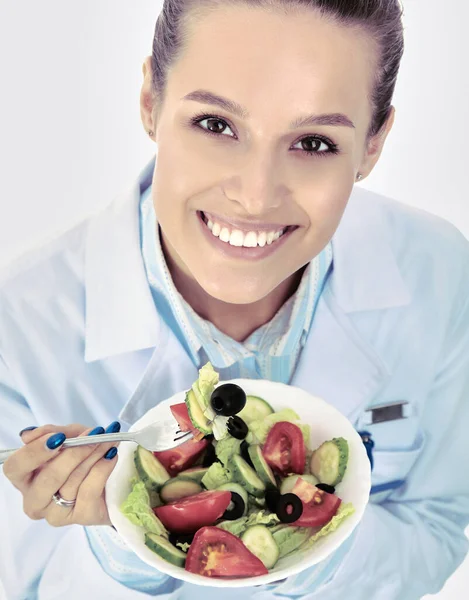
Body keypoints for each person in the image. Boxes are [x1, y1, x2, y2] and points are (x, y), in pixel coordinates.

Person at [0, 1, 468, 599]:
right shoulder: (18, 325)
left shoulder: (439, 269)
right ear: (150, 101)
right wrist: (122, 544)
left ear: (373, 146)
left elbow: (433, 532)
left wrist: (312, 551)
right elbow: (31, 587)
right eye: (217, 125)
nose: (255, 196)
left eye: (316, 142)